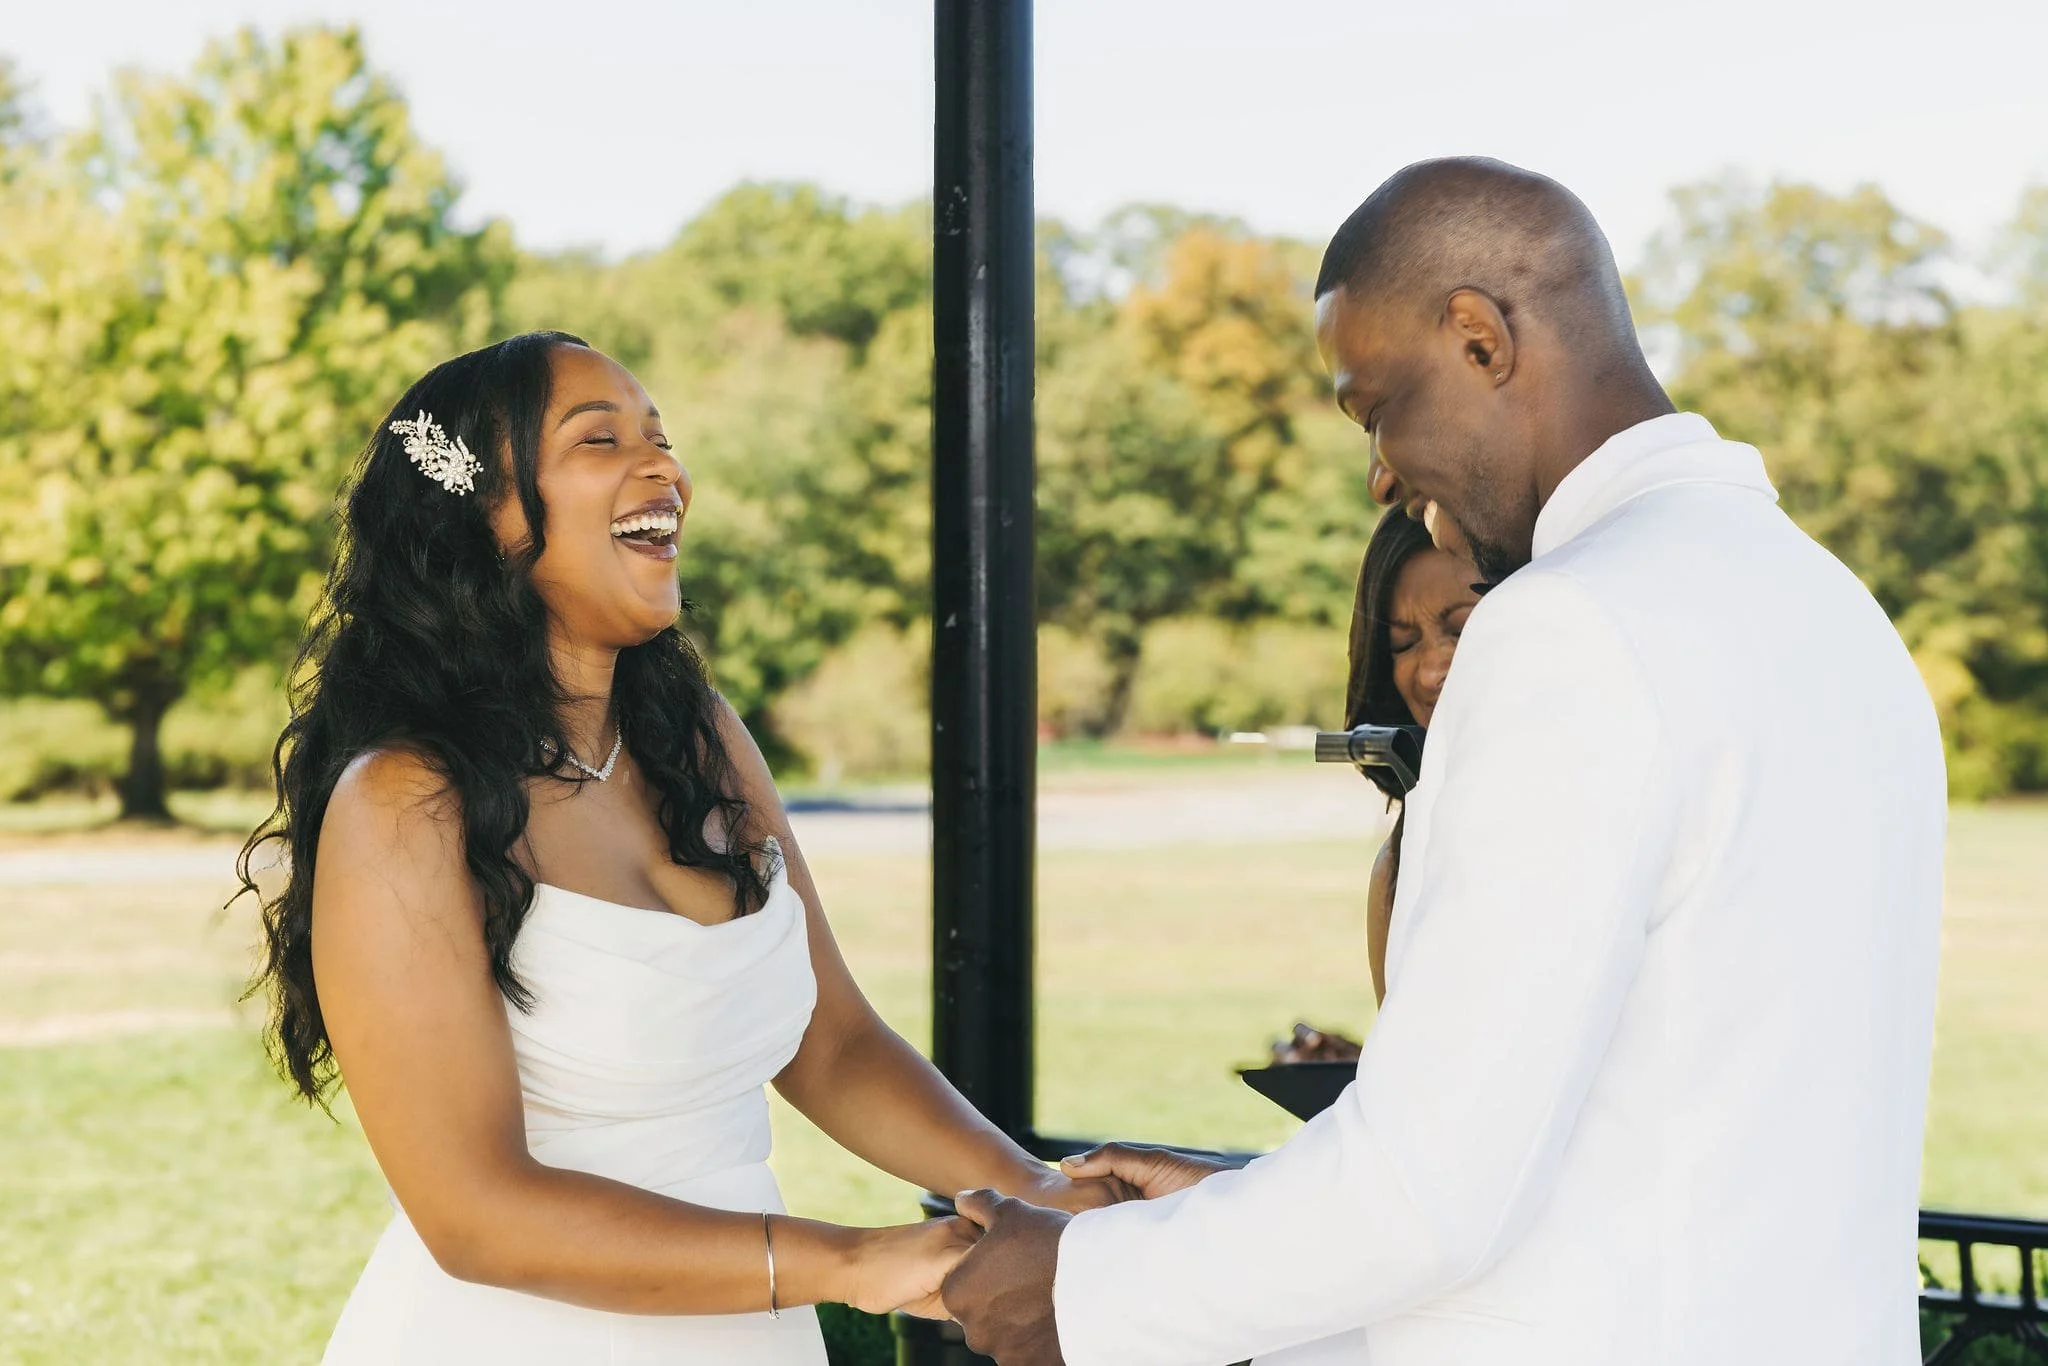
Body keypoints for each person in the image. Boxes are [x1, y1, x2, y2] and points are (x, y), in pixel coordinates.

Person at [939, 158, 1947, 1366]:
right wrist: (1231, 1209)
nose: (1378, 474)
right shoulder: (1831, 610)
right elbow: (1635, 1123)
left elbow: (1428, 1192)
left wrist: (1089, 1287)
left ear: (1478, 338)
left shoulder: (1568, 623)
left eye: (1371, 408)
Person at [238, 333, 1119, 1365]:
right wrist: (862, 1260)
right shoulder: (403, 802)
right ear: (482, 517)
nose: (662, 468)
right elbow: (473, 1213)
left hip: (747, 1334)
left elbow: (832, 1047)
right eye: (599, 439)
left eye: (660, 438)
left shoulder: (697, 733)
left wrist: (1045, 1196)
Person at [1277, 510, 1481, 1066]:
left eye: (1461, 628)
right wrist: (1359, 1076)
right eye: (1403, 644)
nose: (1431, 672)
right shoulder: (1401, 860)